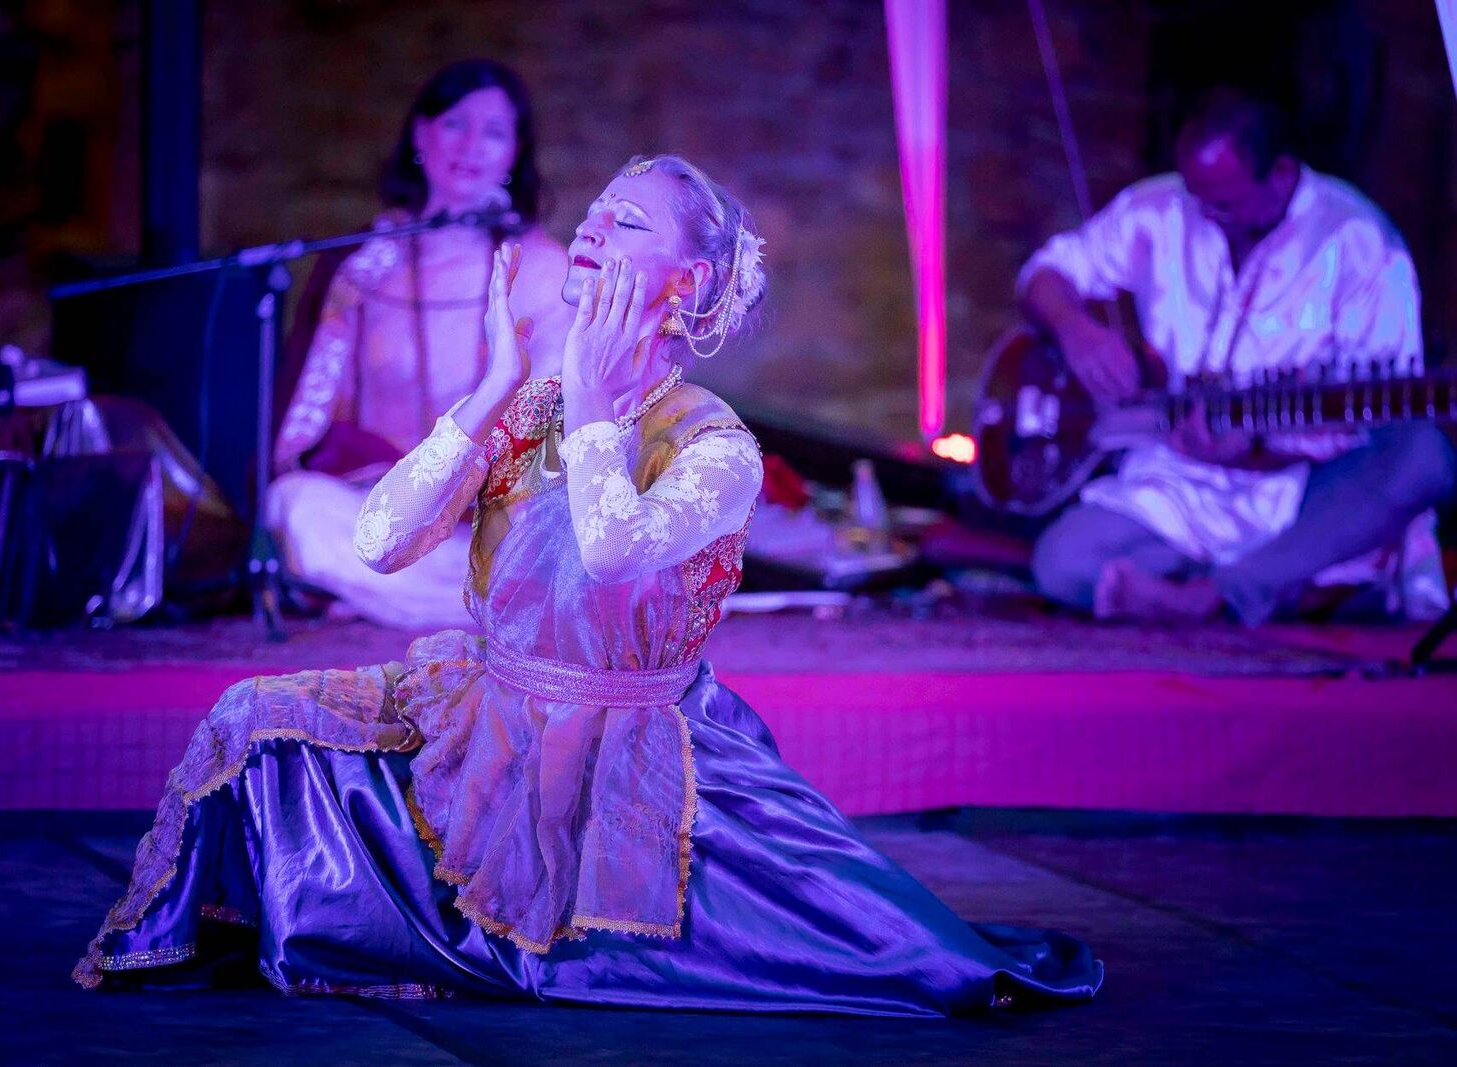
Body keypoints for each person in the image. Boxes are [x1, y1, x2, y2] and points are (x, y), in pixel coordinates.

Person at [73, 155, 1102, 1016]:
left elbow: (613, 551)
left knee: (893, 952)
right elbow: (382, 540)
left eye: (630, 220)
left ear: (687, 283)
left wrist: (599, 400)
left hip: (634, 758)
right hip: (483, 725)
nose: (595, 225)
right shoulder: (527, 406)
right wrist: (492, 383)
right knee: (255, 721)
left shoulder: (715, 446)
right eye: (597, 208)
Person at [1022, 88, 1456, 625]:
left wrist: (1251, 454)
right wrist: (1077, 331)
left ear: (1281, 173)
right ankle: (1277, 593)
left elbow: (1373, 431)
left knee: (1422, 456)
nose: (1204, 213)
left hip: (1306, 498)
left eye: (1224, 203)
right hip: (1178, 489)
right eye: (1196, 196)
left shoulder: (1359, 241)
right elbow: (1047, 274)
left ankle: (1216, 593)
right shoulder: (1159, 209)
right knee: (1062, 564)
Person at [269, 59, 571, 628]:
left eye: (494, 132)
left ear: (515, 153)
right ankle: (488, 609)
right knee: (295, 505)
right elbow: (310, 426)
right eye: (455, 123)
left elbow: (553, 431)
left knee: (540, 548)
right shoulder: (365, 268)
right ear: (421, 133)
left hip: (488, 523)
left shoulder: (543, 270)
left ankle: (430, 599)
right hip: (379, 511)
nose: (471, 146)